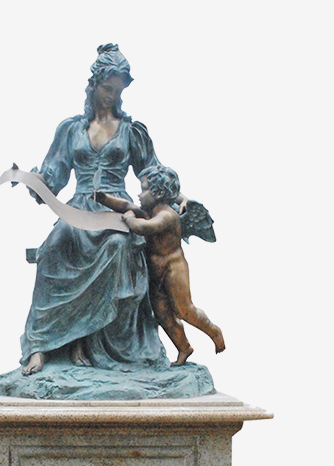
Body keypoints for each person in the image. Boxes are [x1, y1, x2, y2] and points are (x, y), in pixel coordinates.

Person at [18, 44, 167, 377]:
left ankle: (95, 345)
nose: (112, 96)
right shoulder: (71, 129)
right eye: (107, 88)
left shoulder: (132, 131)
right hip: (78, 211)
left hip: (117, 212)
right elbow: (53, 175)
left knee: (118, 247)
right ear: (94, 84)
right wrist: (36, 183)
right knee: (54, 247)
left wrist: (177, 197)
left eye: (118, 91)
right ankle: (40, 345)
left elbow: (153, 173)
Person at [96, 165, 225, 366]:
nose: (139, 194)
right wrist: (104, 199)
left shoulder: (167, 216)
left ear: (159, 193)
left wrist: (130, 218)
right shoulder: (149, 210)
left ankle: (214, 331)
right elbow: (125, 204)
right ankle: (184, 347)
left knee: (184, 310)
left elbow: (144, 227)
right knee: (163, 314)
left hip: (174, 269)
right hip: (155, 272)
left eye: (144, 189)